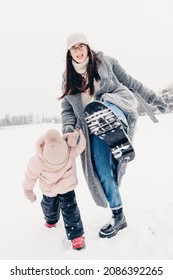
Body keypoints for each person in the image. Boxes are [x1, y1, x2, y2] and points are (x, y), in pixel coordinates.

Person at [59, 32, 168, 239]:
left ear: (88, 47)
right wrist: (68, 129)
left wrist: (154, 99)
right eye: (74, 48)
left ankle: (113, 124)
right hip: (92, 127)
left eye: (82, 46)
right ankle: (119, 216)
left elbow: (132, 83)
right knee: (102, 172)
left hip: (118, 108)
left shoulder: (106, 62)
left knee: (105, 103)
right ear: (69, 53)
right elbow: (66, 109)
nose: (79, 51)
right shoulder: (68, 78)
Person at [22, 128, 86, 250]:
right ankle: (76, 236)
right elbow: (81, 145)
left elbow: (30, 175)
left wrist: (28, 190)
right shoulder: (69, 150)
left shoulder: (37, 159)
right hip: (67, 189)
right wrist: (78, 133)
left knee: (49, 207)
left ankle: (51, 221)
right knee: (70, 211)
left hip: (48, 190)